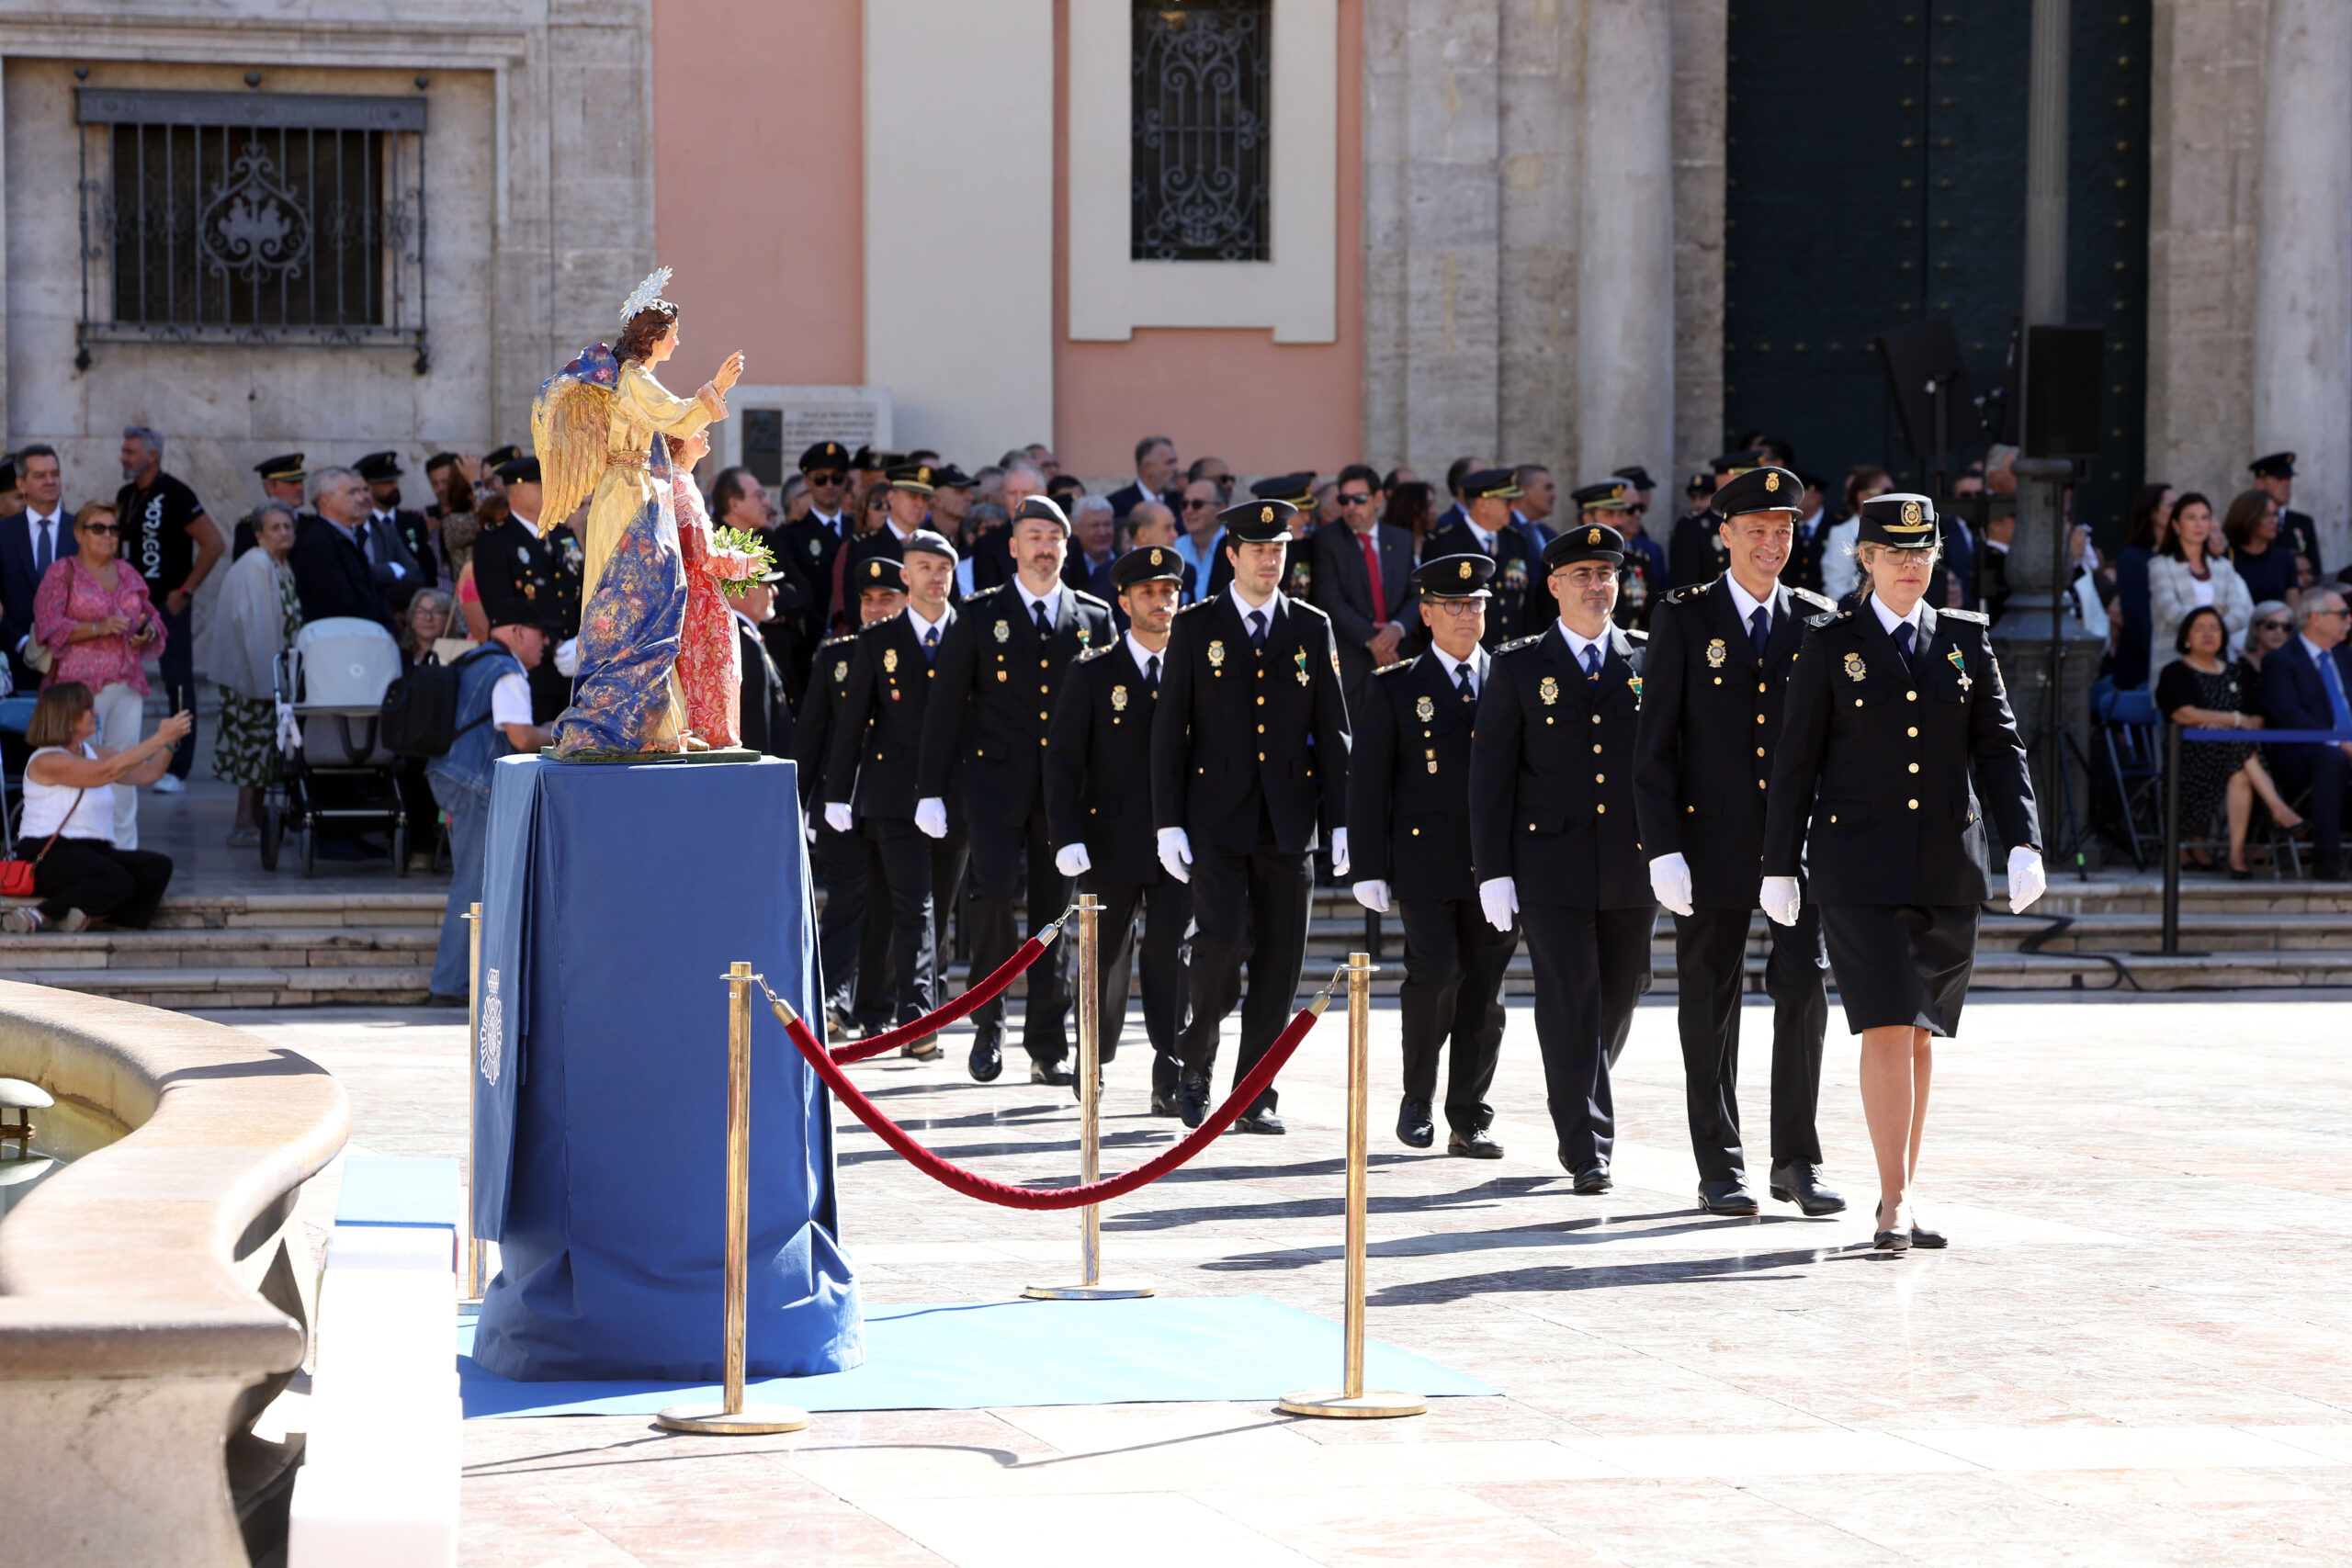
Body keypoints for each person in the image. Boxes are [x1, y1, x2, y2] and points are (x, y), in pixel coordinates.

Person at [1761, 491, 2043, 1252]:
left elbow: (1999, 746)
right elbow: (1797, 762)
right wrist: (1778, 865)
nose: (1911, 566)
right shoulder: (1830, 641)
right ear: (1866, 558)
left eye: (1923, 554)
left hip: (1946, 866)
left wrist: (2023, 840)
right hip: (1857, 867)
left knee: (1920, 1034)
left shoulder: (1962, 639)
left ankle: (1906, 1190)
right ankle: (1893, 1200)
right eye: (1896, 553)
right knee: (1887, 1022)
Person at [1634, 466, 1844, 1218]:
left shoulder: (1819, 618)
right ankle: (1719, 1163)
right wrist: (1661, 847)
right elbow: (1652, 747)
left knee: (1803, 994)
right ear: (1723, 534)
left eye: (1784, 528)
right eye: (1756, 529)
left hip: (1797, 848)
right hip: (1709, 841)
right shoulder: (1684, 618)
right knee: (1710, 1001)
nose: (1771, 542)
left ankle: (1795, 1158)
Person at [1150, 496, 1351, 1134]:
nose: (1271, 559)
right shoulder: (1197, 626)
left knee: (1280, 961)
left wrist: (1343, 821)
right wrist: (1168, 820)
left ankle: (1254, 1089)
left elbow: (1334, 730)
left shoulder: (1310, 626)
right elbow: (1169, 733)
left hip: (1290, 818)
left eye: (1280, 549)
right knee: (1218, 947)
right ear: (1232, 553)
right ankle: (1196, 1063)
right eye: (1259, 549)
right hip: (1215, 816)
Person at [1468, 523, 1653, 1192]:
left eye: (1606, 574)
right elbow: (1490, 777)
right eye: (1582, 575)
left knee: (1623, 992)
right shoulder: (1519, 666)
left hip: (1633, 862)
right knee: (1569, 998)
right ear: (1553, 586)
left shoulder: (1647, 660)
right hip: (1550, 863)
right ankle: (1587, 1144)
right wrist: (1492, 869)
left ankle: (1582, 1091)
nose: (1598, 586)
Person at [916, 496, 1114, 1084]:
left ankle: (1047, 1044)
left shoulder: (1094, 618)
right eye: (1033, 536)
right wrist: (931, 789)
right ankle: (988, 1031)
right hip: (995, 790)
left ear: (1067, 546)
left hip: (1066, 801)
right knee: (993, 903)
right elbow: (945, 708)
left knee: (1054, 917)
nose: (1045, 547)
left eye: (1055, 537)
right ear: (1013, 547)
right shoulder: (978, 615)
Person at [530, 268, 743, 759]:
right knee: (638, 605)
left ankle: (658, 724)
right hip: (628, 498)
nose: (678, 341)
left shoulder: (629, 378)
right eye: (673, 334)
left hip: (633, 494)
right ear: (655, 336)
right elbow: (675, 416)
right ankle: (621, 725)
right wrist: (717, 386)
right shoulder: (633, 379)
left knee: (651, 606)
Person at [1349, 555, 1515, 1156]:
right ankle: (1417, 1096)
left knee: (1485, 992)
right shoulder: (1398, 685)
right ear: (1426, 613)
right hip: (1425, 864)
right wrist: (1368, 864)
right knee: (1436, 974)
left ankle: (1469, 1113)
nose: (1467, 615)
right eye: (1454, 605)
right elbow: (1368, 781)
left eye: (1476, 604)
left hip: (1497, 866)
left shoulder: (1509, 677)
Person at [1047, 545, 1193, 1116]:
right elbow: (1061, 759)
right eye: (1148, 593)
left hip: (1178, 841)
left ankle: (1171, 1066)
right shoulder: (1094, 672)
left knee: (1171, 955)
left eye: (1169, 591)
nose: (1161, 602)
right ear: (1124, 600)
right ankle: (1094, 1058)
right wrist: (1066, 834)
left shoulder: (1195, 667)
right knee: (1105, 956)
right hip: (1109, 841)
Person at [823, 531, 968, 1057]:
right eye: (923, 567)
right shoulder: (879, 641)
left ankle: (925, 1004)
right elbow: (854, 724)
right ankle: (918, 1021)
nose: (934, 576)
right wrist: (837, 793)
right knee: (915, 905)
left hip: (955, 794)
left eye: (942, 567)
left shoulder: (967, 632)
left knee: (941, 905)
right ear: (906, 577)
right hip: (894, 792)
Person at [424, 612, 557, 1002]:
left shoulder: (477, 658)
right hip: (472, 785)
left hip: (452, 776)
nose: (545, 643)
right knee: (471, 886)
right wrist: (557, 729)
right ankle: (449, 985)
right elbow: (520, 736)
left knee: (471, 882)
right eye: (540, 632)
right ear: (518, 631)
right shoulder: (506, 670)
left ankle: (458, 980)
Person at [797, 561, 902, 1041]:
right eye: (867, 600)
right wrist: (800, 804)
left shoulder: (918, 656)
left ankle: (879, 1008)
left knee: (889, 907)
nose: (875, 609)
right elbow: (812, 734)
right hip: (840, 804)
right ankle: (836, 1001)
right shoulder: (835, 655)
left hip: (896, 803)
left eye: (886, 599)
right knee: (843, 904)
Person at [33, 502, 167, 851]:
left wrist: (147, 633)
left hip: (126, 684)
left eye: (113, 529)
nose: (108, 535)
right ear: (79, 533)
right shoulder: (64, 572)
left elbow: (152, 618)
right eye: (98, 528)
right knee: (88, 769)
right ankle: (88, 851)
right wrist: (98, 627)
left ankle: (125, 852)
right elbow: (48, 626)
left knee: (125, 770)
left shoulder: (127, 573)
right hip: (79, 691)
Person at [3, 682, 187, 934]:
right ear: (66, 717)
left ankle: (91, 918)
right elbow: (104, 773)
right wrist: (158, 738)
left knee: (157, 867)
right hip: (47, 854)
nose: (95, 713)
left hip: (93, 851)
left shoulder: (97, 752)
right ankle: (40, 913)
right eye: (88, 709)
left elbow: (149, 772)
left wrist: (169, 743)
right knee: (116, 878)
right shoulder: (47, 759)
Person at [115, 424, 222, 794]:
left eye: (131, 451)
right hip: (131, 605)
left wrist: (185, 591)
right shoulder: (127, 495)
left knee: (178, 681)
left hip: (168, 604)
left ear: (152, 455)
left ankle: (178, 766)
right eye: (124, 451)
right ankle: (114, 756)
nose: (124, 457)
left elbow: (213, 543)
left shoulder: (175, 492)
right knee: (117, 676)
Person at [2158, 605, 2299, 876]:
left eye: (2214, 628)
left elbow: (2257, 718)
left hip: (2236, 756)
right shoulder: (2175, 672)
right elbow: (2184, 713)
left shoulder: (2238, 673)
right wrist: (2233, 720)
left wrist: (2222, 723)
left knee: (2239, 764)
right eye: (2200, 628)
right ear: (2186, 635)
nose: (2208, 634)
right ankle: (2277, 811)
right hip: (2190, 758)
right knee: (2239, 747)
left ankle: (2235, 854)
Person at [206, 502, 301, 847]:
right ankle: (245, 823)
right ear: (259, 533)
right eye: (275, 528)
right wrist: (271, 686)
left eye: (288, 527)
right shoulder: (256, 566)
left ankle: (258, 821)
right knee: (251, 751)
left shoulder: (279, 565)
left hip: (270, 678)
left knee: (265, 752)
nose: (284, 533)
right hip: (255, 681)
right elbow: (258, 629)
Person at [2258, 588, 2352, 881]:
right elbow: (2290, 716)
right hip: (2300, 754)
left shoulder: (2342, 655)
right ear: (2316, 619)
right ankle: (2327, 858)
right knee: (2331, 757)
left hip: (2344, 746)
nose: (2348, 621)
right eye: (2342, 615)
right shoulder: (2281, 661)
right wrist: (2341, 742)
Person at [1312, 462, 1419, 705]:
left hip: (1399, 658)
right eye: (1344, 499)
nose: (1351, 507)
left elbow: (1416, 594)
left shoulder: (1401, 539)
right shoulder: (1327, 539)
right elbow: (1330, 599)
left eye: (1359, 499)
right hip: (1352, 666)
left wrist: (1397, 628)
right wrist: (1373, 640)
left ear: (1378, 498)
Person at [1425, 468, 1548, 649]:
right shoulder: (1444, 545)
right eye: (1507, 502)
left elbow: (1528, 607)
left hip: (1513, 656)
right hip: (1468, 656)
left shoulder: (1516, 541)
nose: (1513, 508)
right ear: (1483, 503)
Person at [2150, 491, 2252, 680]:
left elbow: (2239, 613)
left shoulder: (2224, 566)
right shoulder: (2160, 565)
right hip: (2175, 662)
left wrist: (2212, 631)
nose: (2199, 524)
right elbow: (2170, 610)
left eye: (2204, 518)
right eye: (2191, 518)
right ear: (2176, 524)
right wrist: (2212, 624)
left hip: (2219, 662)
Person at [291, 467, 398, 634]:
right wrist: (376, 629)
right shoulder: (317, 542)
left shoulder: (350, 535)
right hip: (344, 643)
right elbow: (341, 601)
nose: (361, 498)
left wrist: (388, 627)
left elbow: (371, 590)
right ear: (327, 500)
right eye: (351, 493)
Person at [0, 443, 66, 690]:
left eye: (55, 474)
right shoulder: (4, 534)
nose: (50, 481)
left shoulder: (80, 530)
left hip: (68, 670)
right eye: (40, 475)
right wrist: (23, 643)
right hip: (13, 666)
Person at [781, 440, 855, 639]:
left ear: (846, 481)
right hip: (812, 643)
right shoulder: (791, 536)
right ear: (807, 482)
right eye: (821, 479)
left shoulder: (858, 530)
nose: (829, 485)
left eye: (837, 478)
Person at [1574, 480, 1662, 632]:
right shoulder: (1566, 564)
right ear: (1588, 518)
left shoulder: (1638, 562)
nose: (1618, 521)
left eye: (1621, 513)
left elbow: (1651, 621)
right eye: (1609, 514)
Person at [2111, 482, 2175, 689]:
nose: (2178, 511)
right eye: (2171, 504)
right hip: (2143, 665)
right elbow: (2137, 617)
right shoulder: (2133, 558)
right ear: (2152, 512)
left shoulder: (2179, 556)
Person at [356, 451, 432, 604]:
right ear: (368, 487)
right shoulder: (360, 525)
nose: (394, 486)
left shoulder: (412, 521)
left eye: (395, 480)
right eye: (386, 482)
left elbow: (423, 569)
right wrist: (393, 569)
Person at [733, 567, 794, 756]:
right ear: (741, 590)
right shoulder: (745, 644)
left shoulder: (746, 638)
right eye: (767, 585)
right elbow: (754, 722)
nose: (775, 591)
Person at [1820, 467, 1889, 604]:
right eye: (1886, 492)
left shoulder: (1892, 531)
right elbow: (1835, 589)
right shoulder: (1842, 533)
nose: (1892, 497)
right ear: (1863, 497)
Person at [2250, 452, 2322, 579]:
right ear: (2260, 483)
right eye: (2279, 479)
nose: (2286, 484)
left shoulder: (2302, 522)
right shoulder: (2248, 520)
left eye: (2288, 479)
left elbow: (2315, 572)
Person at [2223, 488, 2298, 609]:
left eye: (2275, 514)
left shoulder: (2284, 558)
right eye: (2267, 515)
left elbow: (2293, 608)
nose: (2274, 520)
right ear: (2248, 518)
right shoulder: (2226, 558)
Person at [1171, 476, 1225, 602]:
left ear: (1222, 509)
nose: (1188, 511)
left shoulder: (1237, 548)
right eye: (1184, 505)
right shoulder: (1174, 548)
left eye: (1197, 504)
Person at [1107, 435, 1181, 521]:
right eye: (1169, 463)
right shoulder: (1117, 505)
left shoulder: (1182, 503)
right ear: (1147, 467)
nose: (1176, 468)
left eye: (1175, 462)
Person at [1064, 495, 1121, 602]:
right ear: (1075, 529)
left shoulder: (1124, 564)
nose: (1102, 532)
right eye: (1094, 526)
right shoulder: (1065, 568)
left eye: (1107, 524)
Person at [1383, 479, 1437, 558]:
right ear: (1410, 508)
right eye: (1428, 505)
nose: (1434, 511)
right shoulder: (1388, 549)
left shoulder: (1437, 545)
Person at [2244, 600, 2293, 678]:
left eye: (2285, 627)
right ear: (2254, 629)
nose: (2279, 631)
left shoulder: (2295, 666)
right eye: (2271, 625)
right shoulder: (2240, 666)